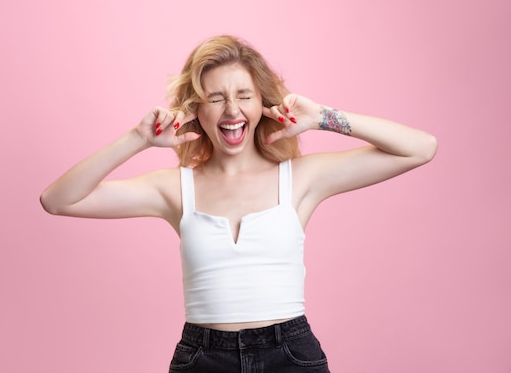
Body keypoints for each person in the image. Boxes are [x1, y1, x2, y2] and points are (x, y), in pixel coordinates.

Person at [40, 35, 437, 373]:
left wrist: (322, 117)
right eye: (216, 98)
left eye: (244, 95)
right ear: (196, 109)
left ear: (262, 101)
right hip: (202, 357)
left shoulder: (299, 178)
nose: (232, 110)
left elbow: (419, 149)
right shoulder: (176, 189)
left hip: (290, 354)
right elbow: (57, 200)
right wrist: (138, 138)